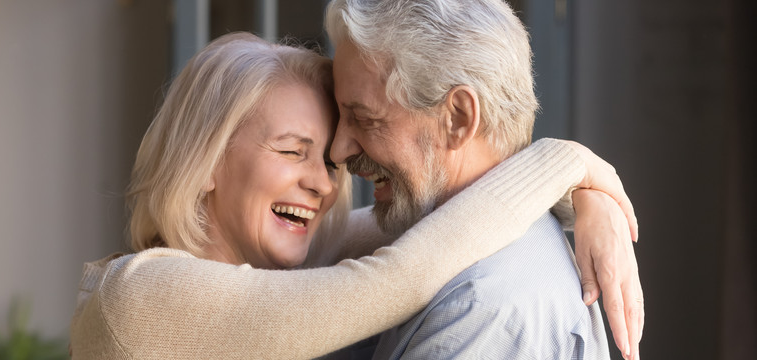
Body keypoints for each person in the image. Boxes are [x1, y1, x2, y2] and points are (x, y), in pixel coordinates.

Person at [69, 32, 637, 359]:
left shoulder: (281, 265)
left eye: (327, 159)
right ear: (208, 161)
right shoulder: (141, 298)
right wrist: (566, 162)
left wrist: (589, 200)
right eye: (292, 151)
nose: (322, 180)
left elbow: (448, 215)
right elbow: (402, 275)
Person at [323, 0, 643, 359]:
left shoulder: (478, 312)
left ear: (458, 119)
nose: (337, 151)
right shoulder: (443, 253)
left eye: (364, 119)